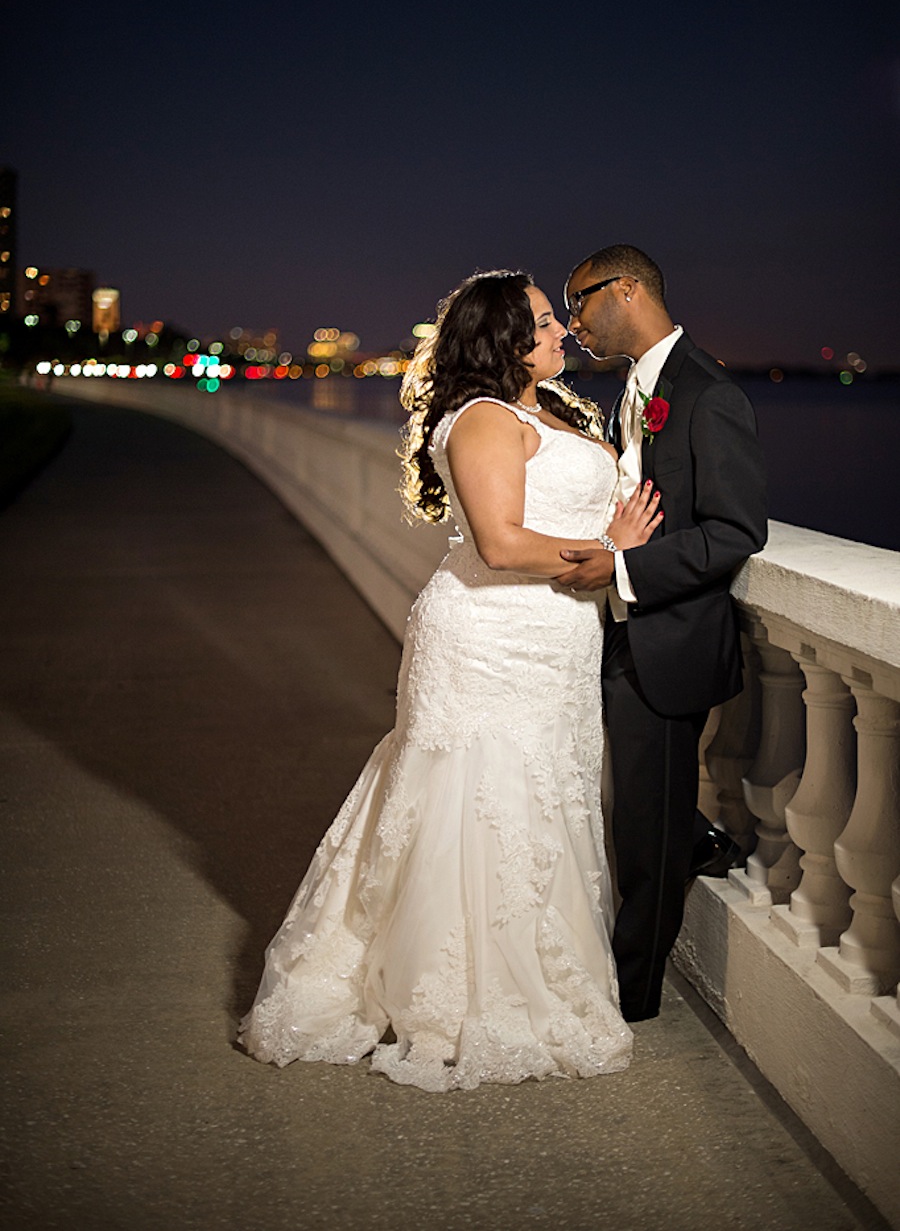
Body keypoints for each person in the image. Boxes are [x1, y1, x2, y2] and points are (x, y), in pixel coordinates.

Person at [238, 270, 662, 1091]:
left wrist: (607, 542)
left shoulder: (552, 410)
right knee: (480, 799)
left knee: (546, 797)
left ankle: (534, 966)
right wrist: (609, 556)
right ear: (503, 339)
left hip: (554, 639)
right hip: (488, 638)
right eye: (542, 322)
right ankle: (463, 995)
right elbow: (501, 546)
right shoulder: (482, 420)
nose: (559, 333)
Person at [557, 244, 767, 1023]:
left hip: (669, 641)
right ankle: (698, 837)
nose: (574, 320)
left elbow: (737, 530)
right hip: (621, 634)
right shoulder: (632, 395)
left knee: (642, 833)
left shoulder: (708, 395)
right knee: (637, 813)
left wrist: (622, 572)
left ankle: (631, 1000)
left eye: (579, 301)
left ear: (628, 289)